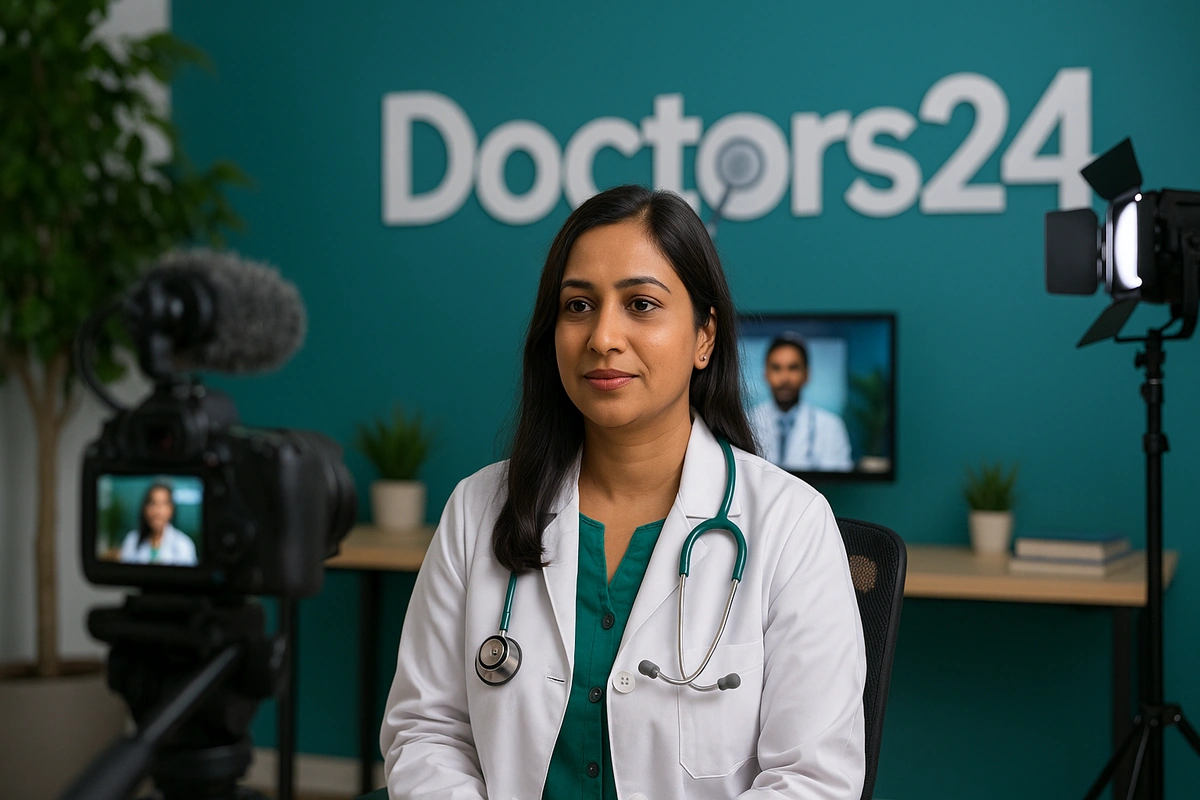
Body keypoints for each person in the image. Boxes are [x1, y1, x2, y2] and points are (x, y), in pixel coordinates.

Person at [380, 185, 866, 800]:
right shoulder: (479, 509)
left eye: (640, 304)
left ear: (704, 337)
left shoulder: (791, 523)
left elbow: (812, 780)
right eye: (578, 306)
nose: (603, 336)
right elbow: (427, 731)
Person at [748, 333, 854, 472]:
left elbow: (839, 480)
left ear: (806, 374)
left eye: (793, 368)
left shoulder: (831, 426)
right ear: (766, 374)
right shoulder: (746, 422)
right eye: (776, 368)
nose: (785, 378)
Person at [118, 483, 198, 566]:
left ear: (171, 510)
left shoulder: (184, 544)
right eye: (152, 503)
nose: (157, 512)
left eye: (163, 504)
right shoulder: (132, 540)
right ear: (145, 509)